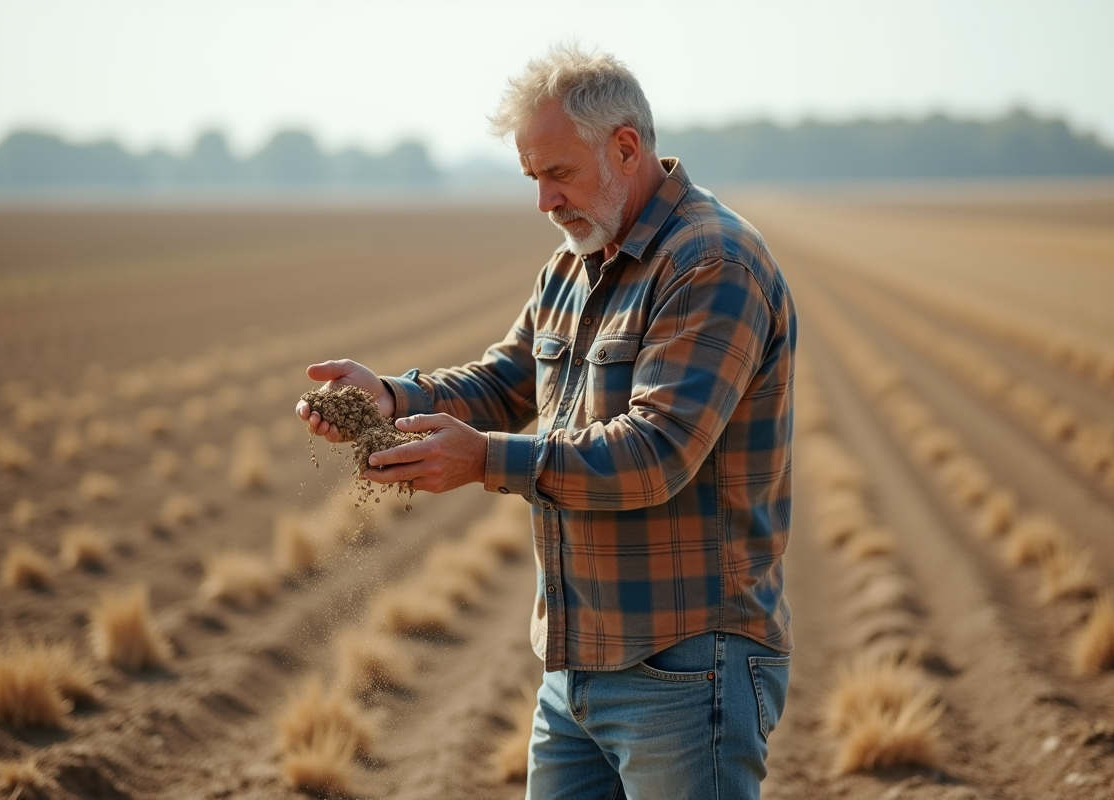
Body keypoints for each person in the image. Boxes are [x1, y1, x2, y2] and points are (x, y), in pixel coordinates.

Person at [296, 43, 796, 800]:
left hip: (687, 665)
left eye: (558, 174)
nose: (544, 202)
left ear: (626, 148)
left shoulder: (711, 262)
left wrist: (486, 461)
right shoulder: (573, 266)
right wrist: (392, 399)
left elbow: (656, 451)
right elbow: (507, 379)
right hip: (575, 668)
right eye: (533, 178)